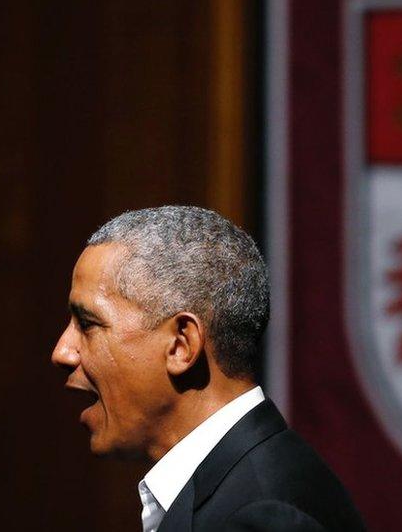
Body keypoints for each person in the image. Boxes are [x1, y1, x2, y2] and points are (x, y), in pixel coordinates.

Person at [51, 206, 365, 532]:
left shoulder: (264, 517)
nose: (62, 352)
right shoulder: (241, 489)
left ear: (181, 345)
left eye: (87, 324)